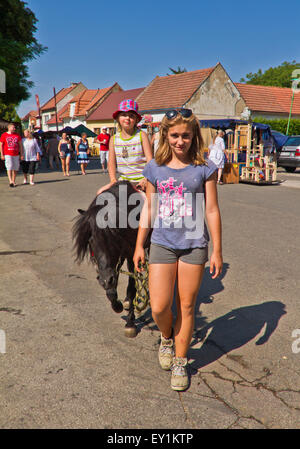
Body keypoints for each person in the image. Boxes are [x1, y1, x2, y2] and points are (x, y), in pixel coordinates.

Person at [133, 108, 223, 391]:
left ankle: (181, 361)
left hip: (194, 246)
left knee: (186, 305)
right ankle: (166, 338)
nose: (180, 141)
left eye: (185, 135)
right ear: (165, 135)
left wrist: (217, 250)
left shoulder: (204, 167)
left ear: (193, 136)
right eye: (175, 135)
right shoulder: (154, 169)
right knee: (159, 306)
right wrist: (139, 245)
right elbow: (149, 208)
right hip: (162, 243)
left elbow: (211, 209)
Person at [96, 99, 152, 195]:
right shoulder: (114, 139)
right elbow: (111, 163)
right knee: (100, 193)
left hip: (142, 179)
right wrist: (113, 180)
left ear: (136, 120)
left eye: (131, 116)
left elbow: (150, 160)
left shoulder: (142, 135)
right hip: (124, 180)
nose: (127, 118)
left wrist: (146, 178)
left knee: (147, 204)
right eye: (124, 115)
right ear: (118, 118)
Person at [0, 123, 23, 187]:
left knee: (15, 168)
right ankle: (10, 181)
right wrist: (2, 154)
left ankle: (13, 181)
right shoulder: (4, 135)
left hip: (16, 154)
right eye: (13, 127)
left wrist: (21, 154)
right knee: (9, 167)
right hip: (8, 154)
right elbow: (1, 145)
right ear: (9, 128)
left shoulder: (17, 135)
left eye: (15, 128)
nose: (14, 129)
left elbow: (20, 145)